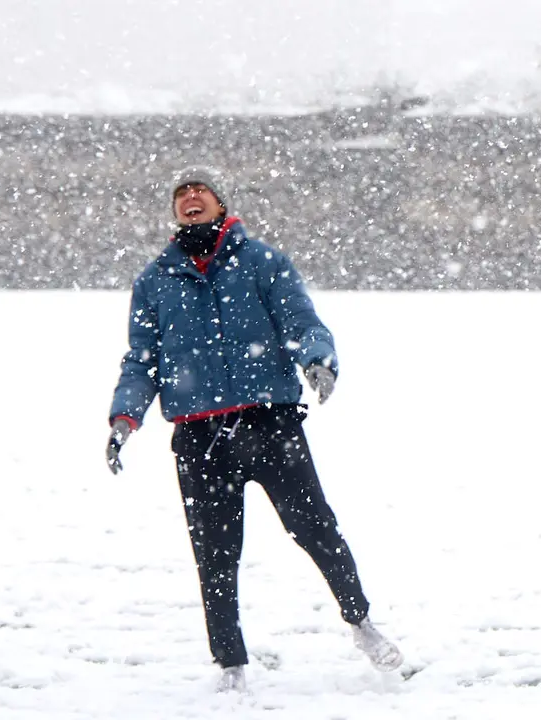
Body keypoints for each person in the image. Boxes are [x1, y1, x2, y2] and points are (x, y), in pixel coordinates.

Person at [105, 166, 403, 692]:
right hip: (199, 438)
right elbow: (142, 360)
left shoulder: (262, 262)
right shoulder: (155, 281)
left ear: (220, 203)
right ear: (175, 211)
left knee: (317, 529)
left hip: (270, 424)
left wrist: (317, 360)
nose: (190, 196)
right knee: (215, 555)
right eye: (181, 193)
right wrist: (124, 418)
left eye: (200, 189)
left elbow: (301, 321)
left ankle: (361, 623)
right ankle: (231, 664)